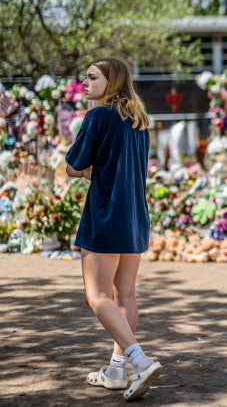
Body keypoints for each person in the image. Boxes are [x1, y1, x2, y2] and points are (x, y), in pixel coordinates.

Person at [65, 58, 162, 401]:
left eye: (92, 77)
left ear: (113, 80)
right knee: (126, 296)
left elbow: (73, 165)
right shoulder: (139, 119)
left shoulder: (98, 116)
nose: (85, 83)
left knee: (97, 296)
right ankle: (116, 370)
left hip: (105, 214)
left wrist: (83, 169)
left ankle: (139, 359)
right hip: (134, 215)